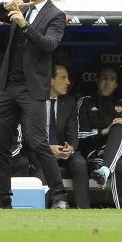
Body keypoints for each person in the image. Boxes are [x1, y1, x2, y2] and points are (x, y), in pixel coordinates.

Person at [0, 0, 68, 210]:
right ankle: (3, 198)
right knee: (0, 142)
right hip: (8, 85)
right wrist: (7, 4)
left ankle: (60, 196)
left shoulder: (55, 14)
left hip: (32, 88)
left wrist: (24, 25)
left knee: (37, 141)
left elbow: (49, 45)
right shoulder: (23, 7)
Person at [77, 66, 122, 209]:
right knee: (119, 164)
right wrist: (104, 131)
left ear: (116, 84)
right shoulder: (84, 102)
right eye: (104, 78)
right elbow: (77, 135)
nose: (107, 82)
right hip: (96, 152)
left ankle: (105, 169)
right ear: (97, 81)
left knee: (119, 126)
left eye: (112, 79)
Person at [42, 64, 90, 209]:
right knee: (42, 170)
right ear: (50, 80)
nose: (68, 82)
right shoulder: (34, 102)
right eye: (63, 78)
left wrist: (71, 148)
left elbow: (73, 134)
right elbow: (28, 134)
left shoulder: (69, 102)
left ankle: (84, 209)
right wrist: (48, 148)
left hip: (63, 152)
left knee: (80, 163)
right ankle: (41, 210)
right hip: (42, 151)